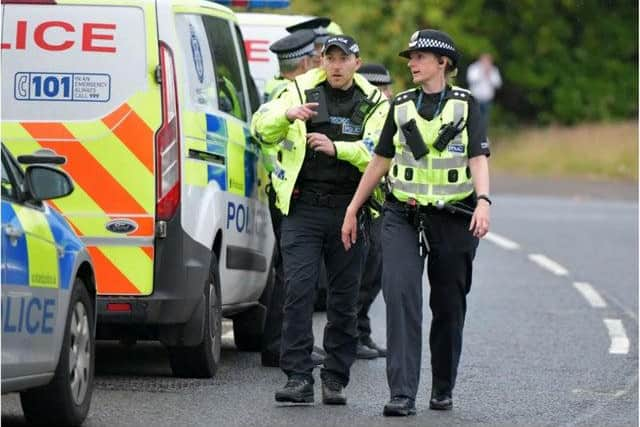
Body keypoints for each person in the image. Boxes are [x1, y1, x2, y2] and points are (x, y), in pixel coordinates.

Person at [341, 29, 491, 416]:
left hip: (454, 217)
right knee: (401, 297)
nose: (411, 63)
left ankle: (442, 387)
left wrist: (485, 202)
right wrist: (353, 208)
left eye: (420, 57)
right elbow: (380, 160)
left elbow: (477, 157)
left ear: (443, 63)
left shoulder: (466, 105)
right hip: (402, 215)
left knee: (448, 304)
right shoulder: (401, 106)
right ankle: (402, 394)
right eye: (411, 57)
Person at [252, 35, 389, 405]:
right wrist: (286, 115)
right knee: (298, 290)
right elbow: (260, 126)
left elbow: (378, 151)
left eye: (344, 59)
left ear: (357, 63)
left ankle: (335, 377)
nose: (336, 65)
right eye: (330, 58)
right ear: (322, 61)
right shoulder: (298, 89)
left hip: (350, 209)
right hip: (302, 208)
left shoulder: (374, 101)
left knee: (344, 299)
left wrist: (337, 148)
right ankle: (298, 377)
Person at [258, 29, 323, 368]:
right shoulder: (287, 96)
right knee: (292, 272)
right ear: (305, 62)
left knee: (288, 270)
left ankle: (285, 343)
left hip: (282, 189)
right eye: (314, 59)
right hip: (289, 193)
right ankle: (279, 345)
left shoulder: (275, 90)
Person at [351, 63, 395, 360]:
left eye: (387, 88)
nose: (387, 94)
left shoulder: (390, 116)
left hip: (382, 204)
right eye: (380, 88)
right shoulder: (359, 117)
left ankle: (362, 330)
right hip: (360, 202)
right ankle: (351, 334)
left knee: (376, 272)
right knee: (359, 272)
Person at [263, 30, 317, 103]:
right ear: (305, 63)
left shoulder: (273, 83)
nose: (315, 65)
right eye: (313, 60)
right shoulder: (293, 92)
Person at [466, 53, 502, 131]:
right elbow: (471, 80)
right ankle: (474, 135)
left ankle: (483, 136)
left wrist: (489, 75)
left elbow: (498, 84)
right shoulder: (474, 68)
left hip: (487, 99)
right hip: (475, 98)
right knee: (475, 118)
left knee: (485, 119)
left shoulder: (493, 70)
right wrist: (482, 73)